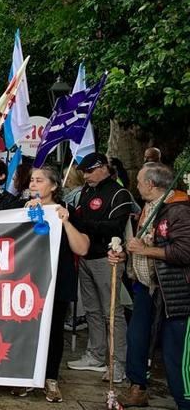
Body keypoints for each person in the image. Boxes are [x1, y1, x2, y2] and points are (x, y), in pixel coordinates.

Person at [10, 167, 90, 402]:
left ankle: (50, 379)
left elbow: (82, 248)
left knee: (54, 331)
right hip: (27, 283)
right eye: (32, 180)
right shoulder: (19, 209)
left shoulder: (65, 211)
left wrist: (64, 222)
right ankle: (25, 377)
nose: (33, 184)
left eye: (40, 180)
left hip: (57, 280)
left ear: (54, 186)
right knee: (25, 329)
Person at [115, 163, 190, 409]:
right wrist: (126, 256)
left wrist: (145, 250)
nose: (135, 185)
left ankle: (184, 400)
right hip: (145, 287)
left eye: (138, 181)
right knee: (137, 338)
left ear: (151, 184)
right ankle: (138, 387)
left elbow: (184, 252)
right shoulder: (148, 207)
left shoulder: (178, 211)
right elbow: (142, 245)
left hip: (173, 291)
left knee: (173, 351)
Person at [66, 153, 135, 382]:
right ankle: (95, 355)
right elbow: (78, 219)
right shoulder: (86, 191)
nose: (85, 176)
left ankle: (118, 363)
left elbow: (114, 226)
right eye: (83, 172)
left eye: (89, 171)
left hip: (108, 259)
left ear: (103, 168)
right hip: (86, 257)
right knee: (92, 310)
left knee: (112, 313)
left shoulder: (119, 193)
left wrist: (84, 224)